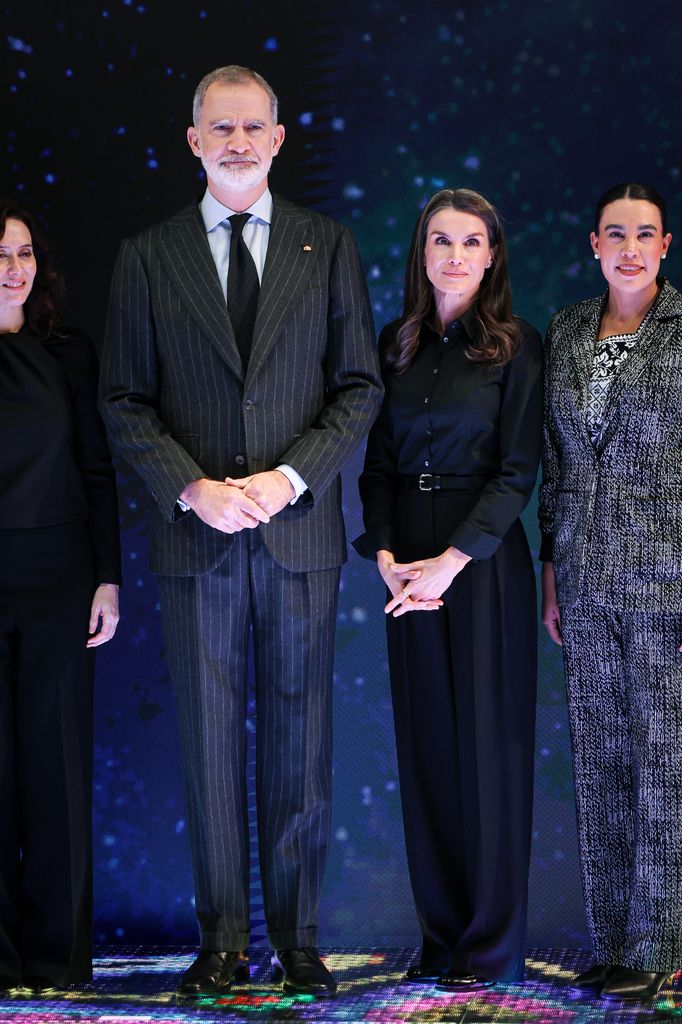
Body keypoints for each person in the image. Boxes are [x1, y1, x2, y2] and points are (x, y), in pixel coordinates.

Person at [100, 65, 381, 998]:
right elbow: (124, 399)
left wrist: (289, 476)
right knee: (209, 747)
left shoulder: (326, 246)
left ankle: (298, 942)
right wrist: (192, 488)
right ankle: (222, 941)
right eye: (219, 127)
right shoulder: (147, 255)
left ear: (278, 136)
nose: (237, 142)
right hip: (198, 540)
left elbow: (359, 386)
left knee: (301, 743)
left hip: (298, 535)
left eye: (252, 126)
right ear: (193, 140)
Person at [355, 188, 542, 988]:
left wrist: (452, 561)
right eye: (441, 241)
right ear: (422, 253)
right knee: (426, 748)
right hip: (408, 562)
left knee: (487, 753)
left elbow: (518, 469)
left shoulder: (518, 346)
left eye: (472, 242)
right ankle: (441, 936)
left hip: (483, 562)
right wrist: (388, 555)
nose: (456, 256)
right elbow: (376, 470)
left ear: (493, 254)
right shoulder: (394, 346)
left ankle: (490, 945)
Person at [540, 182, 681, 1002]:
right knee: (602, 762)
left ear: (667, 245)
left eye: (647, 234)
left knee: (665, 765)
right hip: (585, 581)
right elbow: (558, 466)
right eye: (615, 233)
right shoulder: (565, 330)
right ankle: (616, 938)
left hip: (668, 582)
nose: (630, 247)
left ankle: (659, 946)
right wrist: (553, 575)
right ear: (593, 243)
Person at [0, 200, 121, 997]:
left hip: (57, 575)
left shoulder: (67, 352)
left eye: (23, 253)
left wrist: (107, 576)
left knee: (54, 765)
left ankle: (54, 956)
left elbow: (95, 468)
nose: (13, 267)